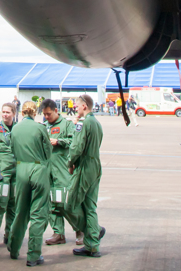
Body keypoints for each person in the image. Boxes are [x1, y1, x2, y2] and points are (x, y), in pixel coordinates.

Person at [7, 101, 51, 266]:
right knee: (38, 214)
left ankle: (14, 248)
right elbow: (48, 151)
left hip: (21, 169)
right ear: (34, 112)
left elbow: (12, 149)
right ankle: (33, 254)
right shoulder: (40, 128)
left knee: (20, 212)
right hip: (38, 168)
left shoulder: (15, 128)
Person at [65, 94, 104, 258]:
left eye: (77, 105)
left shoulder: (83, 123)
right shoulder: (96, 123)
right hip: (95, 164)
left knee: (70, 205)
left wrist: (70, 162)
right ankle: (93, 245)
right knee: (89, 206)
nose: (75, 108)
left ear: (84, 106)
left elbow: (77, 147)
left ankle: (92, 232)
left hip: (85, 166)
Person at [40, 99, 74, 246]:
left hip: (61, 169)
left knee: (66, 202)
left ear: (55, 110)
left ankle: (80, 229)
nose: (47, 117)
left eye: (49, 114)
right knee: (52, 202)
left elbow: (74, 142)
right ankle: (58, 233)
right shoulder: (44, 126)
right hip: (48, 171)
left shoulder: (67, 124)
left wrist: (59, 141)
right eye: (44, 115)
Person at [0, 103, 17, 249]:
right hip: (3, 175)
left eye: (8, 112)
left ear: (13, 113)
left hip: (17, 174)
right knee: (0, 205)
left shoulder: (19, 129)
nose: (5, 114)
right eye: (3, 112)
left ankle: (10, 236)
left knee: (13, 206)